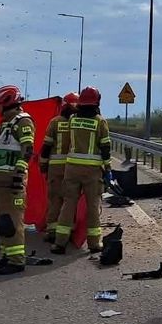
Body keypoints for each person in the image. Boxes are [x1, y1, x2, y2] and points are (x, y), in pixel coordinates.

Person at [52, 86, 111, 254]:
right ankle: (93, 243)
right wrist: (108, 168)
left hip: (71, 169)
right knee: (93, 206)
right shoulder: (100, 121)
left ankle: (60, 242)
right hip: (92, 171)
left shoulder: (72, 120)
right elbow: (105, 147)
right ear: (97, 102)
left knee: (68, 204)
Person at [0, 85, 34, 275]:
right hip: (0, 180)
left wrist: (19, 173)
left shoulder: (23, 121)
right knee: (2, 222)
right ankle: (6, 256)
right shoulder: (4, 124)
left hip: (13, 181)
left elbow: (27, 148)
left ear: (7, 103)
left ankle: (17, 260)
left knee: (13, 222)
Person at [39, 92, 78, 243]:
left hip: (55, 168)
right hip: (73, 168)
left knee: (55, 199)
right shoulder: (78, 123)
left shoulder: (55, 122)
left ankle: (53, 230)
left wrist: (43, 164)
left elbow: (46, 146)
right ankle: (68, 229)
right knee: (70, 199)